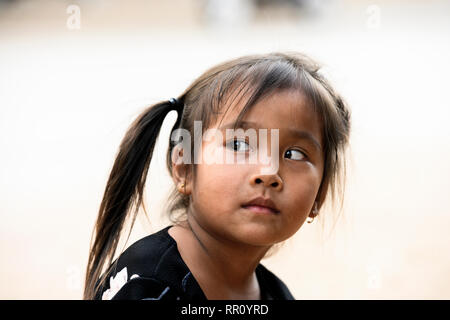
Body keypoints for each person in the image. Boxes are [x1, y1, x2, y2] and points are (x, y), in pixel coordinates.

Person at [83, 52, 351, 300]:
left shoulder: (276, 294)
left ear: (320, 193)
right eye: (238, 145)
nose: (268, 173)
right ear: (185, 168)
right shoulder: (146, 284)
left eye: (294, 154)